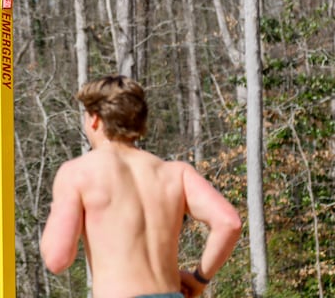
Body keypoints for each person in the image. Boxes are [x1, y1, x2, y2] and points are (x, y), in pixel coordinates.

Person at [40, 75, 242, 298]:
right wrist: (198, 279)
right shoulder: (175, 172)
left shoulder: (78, 172)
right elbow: (229, 223)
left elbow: (57, 259)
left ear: (95, 119)